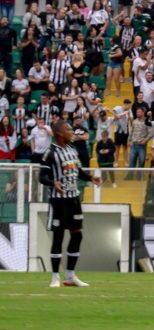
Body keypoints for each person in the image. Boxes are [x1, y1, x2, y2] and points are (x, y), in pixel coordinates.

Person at [40, 119, 102, 288]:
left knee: (77, 234)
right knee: (58, 236)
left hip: (74, 198)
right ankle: (54, 277)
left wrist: (91, 178)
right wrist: (54, 183)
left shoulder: (72, 150)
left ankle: (70, 276)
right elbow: (42, 177)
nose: (72, 132)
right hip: (58, 201)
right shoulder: (50, 153)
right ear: (60, 134)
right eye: (69, 129)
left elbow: (78, 171)